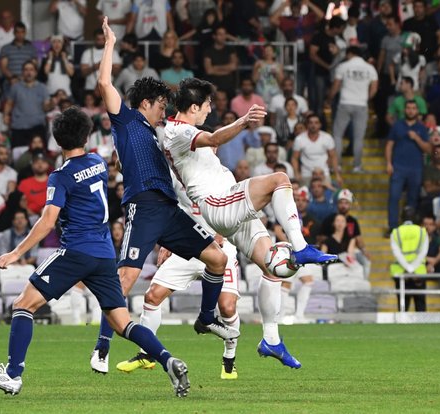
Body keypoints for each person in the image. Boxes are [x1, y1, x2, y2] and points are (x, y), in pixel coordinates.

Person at [0, 107, 190, 398]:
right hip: (104, 255)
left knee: (23, 304)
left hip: (76, 250)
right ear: (86, 136)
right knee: (122, 323)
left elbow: (48, 220)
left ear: (57, 141)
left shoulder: (61, 176)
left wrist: (15, 253)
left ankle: (12, 376)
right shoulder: (97, 163)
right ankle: (168, 359)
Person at [90, 17, 237, 375]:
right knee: (124, 281)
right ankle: (101, 349)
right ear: (146, 102)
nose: (164, 110)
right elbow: (103, 82)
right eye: (160, 104)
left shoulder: (161, 133)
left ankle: (206, 318)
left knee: (217, 259)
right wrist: (110, 42)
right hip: (143, 208)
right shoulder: (125, 120)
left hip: (170, 211)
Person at [162, 77, 338, 365]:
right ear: (194, 106)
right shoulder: (176, 131)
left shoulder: (186, 131)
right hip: (218, 204)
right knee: (280, 179)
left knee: (275, 268)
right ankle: (302, 246)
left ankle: (271, 339)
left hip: (229, 205)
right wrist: (244, 120)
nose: (209, 109)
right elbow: (215, 138)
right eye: (206, 105)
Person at [115, 169, 243, 379]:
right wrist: (167, 242)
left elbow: (233, 209)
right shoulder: (176, 173)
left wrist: (220, 233)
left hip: (219, 247)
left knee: (227, 307)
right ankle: (147, 354)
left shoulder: (222, 175)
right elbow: (168, 207)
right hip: (188, 245)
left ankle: (229, 359)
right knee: (152, 296)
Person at [274, 186, 322, 324]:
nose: (299, 202)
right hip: (288, 252)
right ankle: (281, 316)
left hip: (299, 252)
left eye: (302, 200)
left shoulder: (304, 217)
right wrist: (290, 244)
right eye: (297, 199)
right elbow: (277, 230)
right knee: (286, 284)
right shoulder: (286, 210)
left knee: (308, 281)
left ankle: (299, 315)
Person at [329, 46, 379, 172]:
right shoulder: (370, 68)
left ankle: (337, 165)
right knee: (358, 137)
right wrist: (366, 98)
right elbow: (374, 88)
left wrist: (329, 98)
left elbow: (336, 86)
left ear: (350, 53)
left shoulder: (343, 66)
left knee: (338, 135)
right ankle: (357, 166)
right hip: (361, 104)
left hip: (345, 102)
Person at [386, 100, 431, 235]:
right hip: (398, 167)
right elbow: (389, 145)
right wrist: (388, 163)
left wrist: (417, 138)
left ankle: (409, 227)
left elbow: (428, 149)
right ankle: (393, 227)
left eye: (413, 108)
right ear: (405, 110)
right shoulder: (397, 126)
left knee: (413, 198)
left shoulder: (422, 128)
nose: (411, 111)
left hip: (416, 169)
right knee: (394, 197)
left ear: (417, 111)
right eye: (408, 108)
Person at [390, 207, 428, 312]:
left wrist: (408, 269)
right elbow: (423, 252)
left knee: (403, 307)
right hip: (419, 274)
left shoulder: (395, 233)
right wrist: (413, 269)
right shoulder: (422, 232)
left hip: (402, 274)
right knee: (421, 307)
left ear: (401, 218)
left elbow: (397, 254)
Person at [292, 113, 342, 187]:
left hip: (324, 173)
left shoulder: (327, 138)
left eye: (316, 123)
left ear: (320, 125)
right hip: (306, 174)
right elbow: (294, 158)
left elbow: (333, 156)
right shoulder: (299, 139)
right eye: (311, 123)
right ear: (307, 125)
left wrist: (337, 175)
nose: (313, 125)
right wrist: (296, 173)